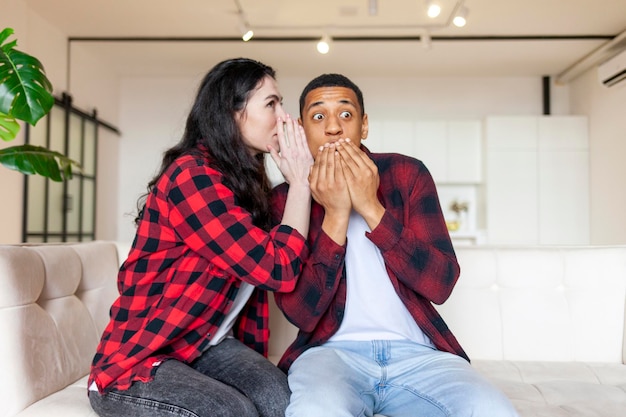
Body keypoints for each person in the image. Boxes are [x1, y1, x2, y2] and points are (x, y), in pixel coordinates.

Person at [271, 73, 519, 417]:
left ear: (364, 125)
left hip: (419, 356)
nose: (333, 128)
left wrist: (371, 207)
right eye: (318, 116)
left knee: (493, 410)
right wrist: (336, 214)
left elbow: (441, 283)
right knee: (315, 410)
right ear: (302, 128)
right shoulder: (286, 198)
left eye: (346, 115)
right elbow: (300, 312)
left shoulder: (406, 174)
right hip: (331, 356)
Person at [88, 58, 313, 417]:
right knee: (232, 411)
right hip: (140, 362)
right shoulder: (192, 177)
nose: (284, 117)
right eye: (271, 104)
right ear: (232, 112)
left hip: (205, 344)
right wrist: (300, 183)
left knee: (284, 403)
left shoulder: (245, 183)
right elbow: (277, 268)